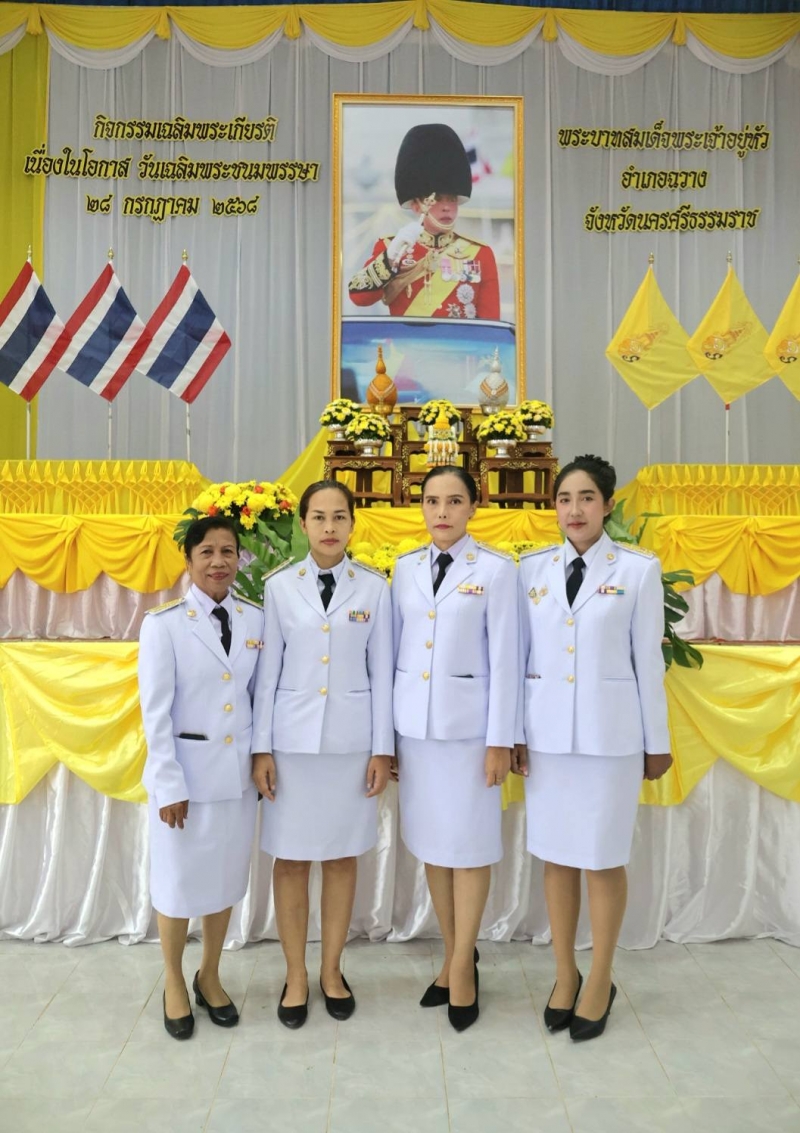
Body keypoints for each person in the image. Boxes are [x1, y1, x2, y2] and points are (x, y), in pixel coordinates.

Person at [513, 455, 673, 1042]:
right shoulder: (530, 570)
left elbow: (647, 662)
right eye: (564, 499)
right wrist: (515, 733)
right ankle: (564, 973)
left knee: (603, 858)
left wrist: (657, 743)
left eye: (586, 498)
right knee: (556, 857)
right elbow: (519, 659)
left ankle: (600, 977)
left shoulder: (637, 570)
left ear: (607, 505)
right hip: (548, 740)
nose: (574, 509)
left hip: (610, 740)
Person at [252, 480, 393, 1029]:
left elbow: (382, 675)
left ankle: (332, 970)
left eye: (339, 517)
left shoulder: (374, 588)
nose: (329, 527)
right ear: (304, 524)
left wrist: (382, 749)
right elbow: (268, 676)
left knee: (340, 858)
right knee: (290, 860)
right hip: (291, 747)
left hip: (350, 747)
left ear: (353, 523)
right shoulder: (280, 587)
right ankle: (295, 974)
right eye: (319, 517)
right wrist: (261, 748)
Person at [391, 466, 519, 1032]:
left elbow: (508, 660)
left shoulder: (496, 569)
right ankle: (452, 955)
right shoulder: (404, 569)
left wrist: (500, 740)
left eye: (453, 501)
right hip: (416, 735)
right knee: (435, 848)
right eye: (432, 501)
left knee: (468, 849)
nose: (441, 512)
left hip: (470, 736)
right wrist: (389, 740)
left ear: (473, 506)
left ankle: (463, 967)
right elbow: (393, 653)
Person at [138, 515, 264, 1040]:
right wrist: (169, 784)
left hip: (236, 782)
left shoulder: (255, 620)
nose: (218, 562)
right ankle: (173, 978)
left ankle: (209, 974)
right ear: (189, 561)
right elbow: (155, 715)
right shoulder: (164, 624)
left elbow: (258, 698)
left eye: (227, 551)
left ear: (238, 559)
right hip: (185, 784)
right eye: (207, 552)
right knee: (177, 885)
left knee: (223, 882)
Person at [348, 123, 500, 321]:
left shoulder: (480, 254)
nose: (446, 207)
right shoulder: (392, 248)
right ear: (416, 206)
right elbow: (359, 297)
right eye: (436, 199)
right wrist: (390, 259)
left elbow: (490, 325)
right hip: (405, 342)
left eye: (451, 199)